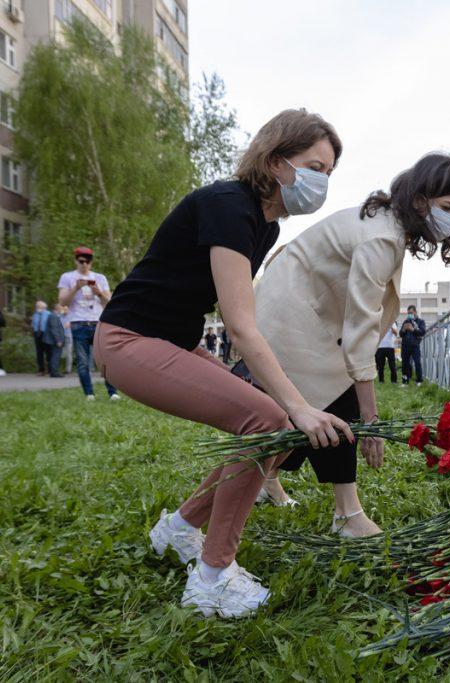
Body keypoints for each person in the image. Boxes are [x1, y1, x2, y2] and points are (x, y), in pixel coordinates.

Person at [95, 109, 352, 619]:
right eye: (314, 167)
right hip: (128, 340)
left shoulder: (264, 226)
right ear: (277, 162)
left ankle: (179, 530)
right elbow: (239, 323)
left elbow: (237, 312)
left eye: (329, 173)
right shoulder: (228, 205)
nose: (323, 182)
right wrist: (294, 404)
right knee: (272, 419)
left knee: (279, 428)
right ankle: (212, 578)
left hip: (172, 341)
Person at [255, 152, 450, 537]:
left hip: (303, 313)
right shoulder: (381, 238)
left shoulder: (387, 226)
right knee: (334, 405)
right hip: (288, 317)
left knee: (306, 411)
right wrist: (372, 422)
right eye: (447, 207)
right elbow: (361, 332)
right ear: (419, 200)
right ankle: (347, 514)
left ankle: (268, 478)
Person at [59, 247, 119, 400]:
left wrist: (98, 292)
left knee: (106, 359)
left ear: (92, 262)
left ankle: (113, 393)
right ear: (76, 261)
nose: (84, 264)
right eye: (81, 261)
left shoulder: (100, 277)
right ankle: (89, 394)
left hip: (98, 322)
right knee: (83, 361)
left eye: (88, 261)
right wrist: (76, 288)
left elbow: (109, 304)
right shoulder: (67, 277)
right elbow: (63, 302)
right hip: (78, 323)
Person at [400, 305, 426, 385]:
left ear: (415, 312)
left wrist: (413, 329)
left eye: (411, 313)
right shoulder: (406, 321)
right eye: (408, 313)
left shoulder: (421, 321)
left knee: (417, 362)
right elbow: (400, 334)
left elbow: (423, 332)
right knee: (404, 364)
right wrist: (404, 329)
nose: (409, 314)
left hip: (415, 345)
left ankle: (419, 380)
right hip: (405, 346)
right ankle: (405, 381)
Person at [44, 304, 67, 377]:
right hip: (54, 341)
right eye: (61, 308)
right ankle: (54, 372)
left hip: (53, 340)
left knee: (54, 356)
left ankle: (53, 371)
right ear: (57, 309)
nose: (62, 310)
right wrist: (58, 340)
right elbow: (54, 329)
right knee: (55, 356)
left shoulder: (54, 316)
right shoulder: (53, 316)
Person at [31, 301, 51, 376]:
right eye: (37, 306)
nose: (37, 307)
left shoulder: (49, 314)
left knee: (48, 352)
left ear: (44, 307)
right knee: (39, 353)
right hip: (37, 334)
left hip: (46, 333)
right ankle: (41, 370)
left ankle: (50, 369)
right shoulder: (35, 315)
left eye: (39, 306)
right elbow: (33, 325)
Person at [61, 305, 73, 375]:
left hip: (69, 337)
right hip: (61, 337)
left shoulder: (72, 317)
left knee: (69, 353)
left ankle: (68, 369)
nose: (65, 310)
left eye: (66, 309)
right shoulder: (60, 317)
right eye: (64, 309)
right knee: (60, 354)